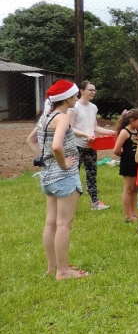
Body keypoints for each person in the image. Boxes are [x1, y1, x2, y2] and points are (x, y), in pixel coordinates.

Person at [26, 80, 88, 279]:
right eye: (75, 95)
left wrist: (46, 161)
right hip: (64, 177)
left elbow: (31, 140)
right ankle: (63, 271)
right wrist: (64, 164)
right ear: (67, 98)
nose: (77, 98)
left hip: (48, 177)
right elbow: (56, 146)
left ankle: (53, 266)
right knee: (63, 224)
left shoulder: (46, 115)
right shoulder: (62, 118)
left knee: (51, 223)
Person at [67, 81, 115, 210]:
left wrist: (110, 132)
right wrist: (85, 135)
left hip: (91, 146)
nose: (93, 92)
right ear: (82, 91)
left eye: (94, 90)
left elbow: (95, 127)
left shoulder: (93, 108)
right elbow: (70, 128)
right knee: (73, 175)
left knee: (92, 175)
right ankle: (69, 204)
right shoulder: (74, 107)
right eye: (90, 90)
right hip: (76, 146)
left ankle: (95, 203)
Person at [113, 108, 138, 223]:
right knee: (128, 189)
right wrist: (127, 157)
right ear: (132, 120)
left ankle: (134, 213)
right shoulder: (125, 132)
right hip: (128, 163)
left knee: (136, 188)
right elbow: (116, 150)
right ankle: (128, 215)